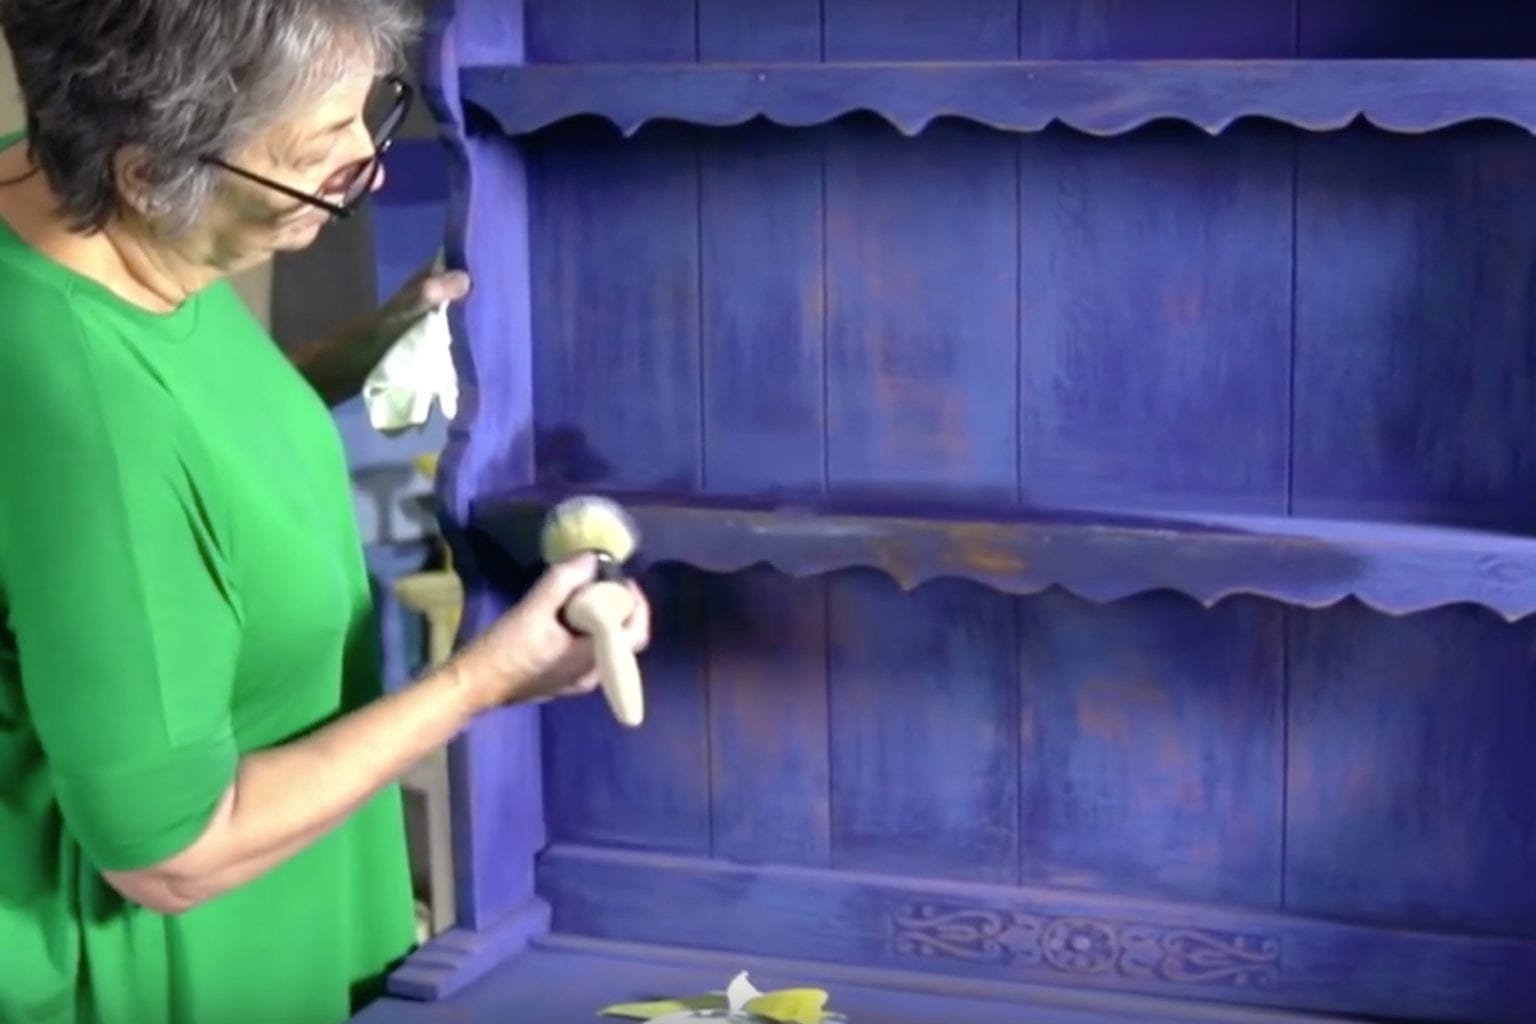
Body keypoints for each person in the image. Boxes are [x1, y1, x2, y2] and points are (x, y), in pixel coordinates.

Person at [0, 2, 651, 1022]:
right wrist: (486, 680)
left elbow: (195, 455)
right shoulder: (82, 418)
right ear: (143, 174)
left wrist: (372, 346)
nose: (370, 173)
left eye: (372, 122)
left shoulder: (49, 185)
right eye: (321, 161)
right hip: (170, 969)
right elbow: (173, 854)